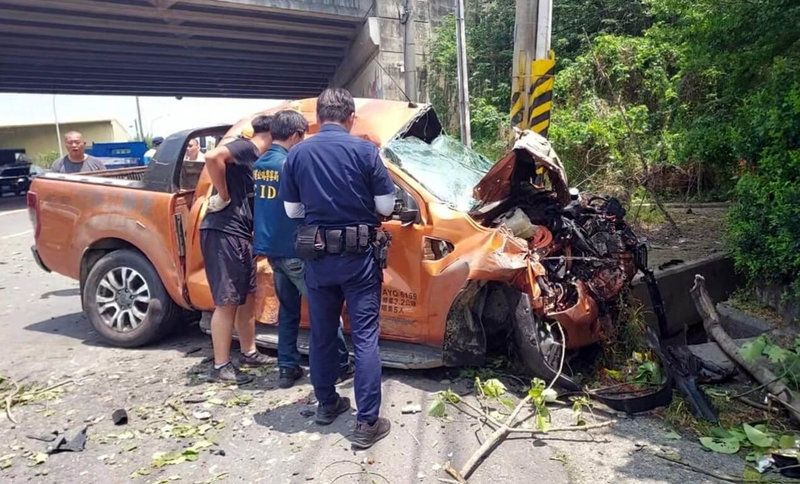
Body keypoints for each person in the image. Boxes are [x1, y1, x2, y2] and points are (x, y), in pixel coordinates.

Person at [280, 88, 395, 449]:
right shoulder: (365, 151)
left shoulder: (296, 154)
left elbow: (292, 213)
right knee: (364, 338)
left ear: (317, 117)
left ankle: (327, 405)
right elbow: (387, 206)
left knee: (322, 334)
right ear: (350, 117)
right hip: (358, 259)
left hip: (316, 258)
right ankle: (366, 423)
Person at [253, 110, 352, 389]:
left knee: (288, 311)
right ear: (296, 135)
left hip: (272, 250)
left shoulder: (261, 164)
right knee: (326, 310)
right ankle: (340, 365)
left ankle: (287, 366)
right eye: (304, 136)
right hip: (298, 250)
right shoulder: (292, 165)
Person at [200, 115, 274, 384]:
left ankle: (249, 352)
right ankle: (221, 366)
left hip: (241, 234)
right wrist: (224, 195)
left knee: (247, 297)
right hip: (224, 231)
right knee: (228, 300)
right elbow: (212, 158)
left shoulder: (257, 160)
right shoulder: (247, 147)